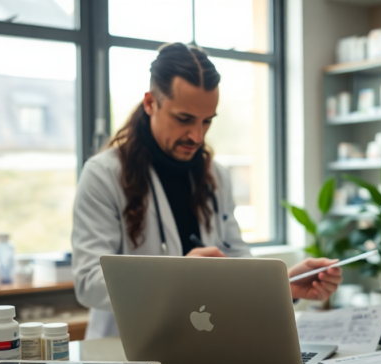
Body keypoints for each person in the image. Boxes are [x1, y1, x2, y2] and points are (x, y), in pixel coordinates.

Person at [72, 43, 343, 339]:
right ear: (151, 103)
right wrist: (177, 276)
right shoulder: (103, 175)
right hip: (129, 351)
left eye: (207, 121)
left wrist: (283, 286)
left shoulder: (216, 177)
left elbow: (236, 261)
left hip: (206, 342)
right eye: (184, 119)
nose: (197, 136)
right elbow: (89, 282)